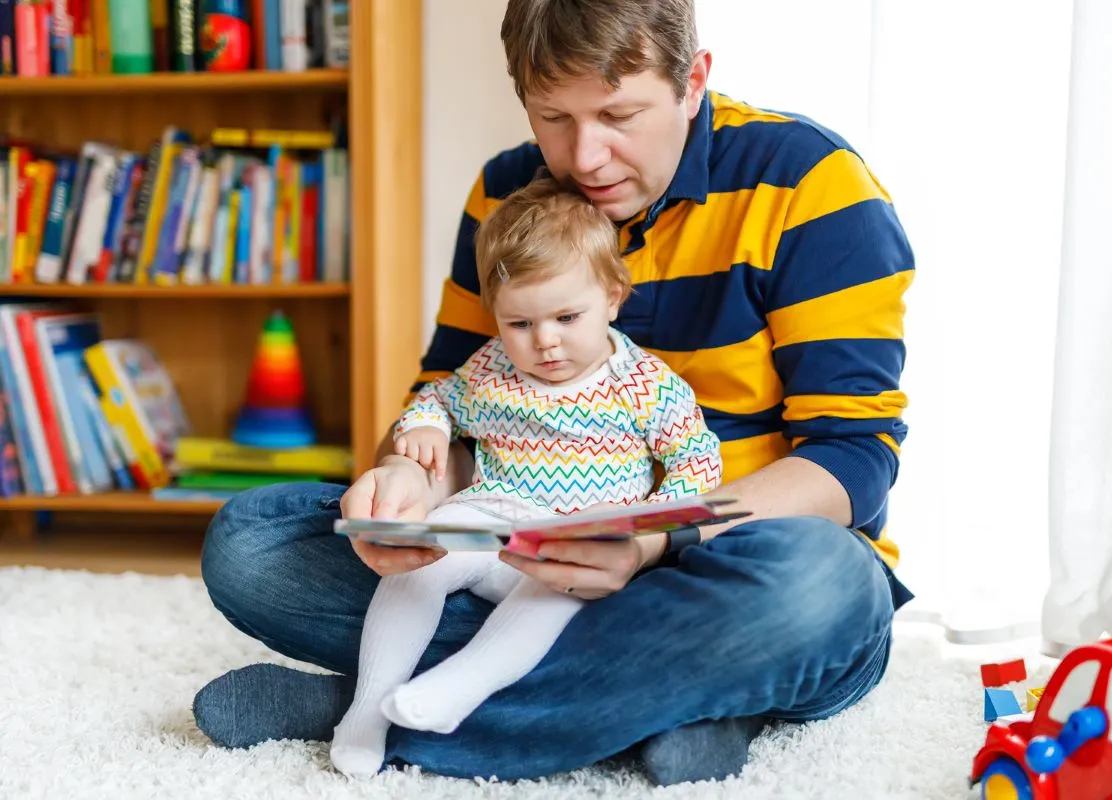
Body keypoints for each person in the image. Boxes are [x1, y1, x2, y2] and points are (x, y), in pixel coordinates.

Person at [192, 0, 915, 786]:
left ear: (693, 81)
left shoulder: (809, 185)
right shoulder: (510, 199)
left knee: (824, 588)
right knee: (248, 543)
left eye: (619, 114)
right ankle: (660, 707)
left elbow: (852, 464)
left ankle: (369, 712)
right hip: (525, 549)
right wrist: (406, 487)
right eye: (553, 117)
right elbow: (448, 402)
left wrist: (651, 537)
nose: (587, 156)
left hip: (723, 559)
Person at [328, 175, 722, 777]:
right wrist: (423, 434)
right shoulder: (489, 365)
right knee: (418, 559)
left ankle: (456, 688)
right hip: (487, 520)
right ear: (496, 315)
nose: (545, 343)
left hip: (574, 546)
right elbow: (439, 400)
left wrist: (641, 533)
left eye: (567, 316)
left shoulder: (646, 384)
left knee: (556, 594)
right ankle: (366, 711)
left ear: (613, 296)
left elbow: (697, 469)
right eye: (519, 324)